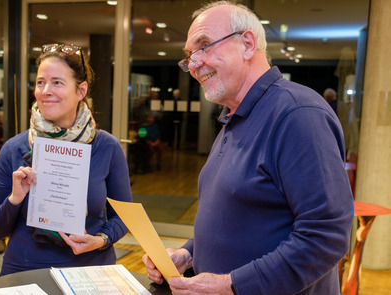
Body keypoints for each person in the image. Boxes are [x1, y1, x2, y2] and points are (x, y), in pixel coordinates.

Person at [142, 2, 354, 295]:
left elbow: (326, 236)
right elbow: (239, 219)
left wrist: (232, 285)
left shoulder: (298, 114)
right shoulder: (234, 116)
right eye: (189, 56)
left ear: (247, 44)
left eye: (204, 46)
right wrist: (189, 253)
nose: (193, 64)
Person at [0, 43, 132, 275]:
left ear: (81, 91)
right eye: (40, 82)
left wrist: (100, 239)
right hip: (25, 268)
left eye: (57, 82)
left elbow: (124, 215)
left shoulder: (106, 147)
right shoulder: (15, 148)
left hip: (91, 268)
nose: (45, 91)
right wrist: (15, 198)